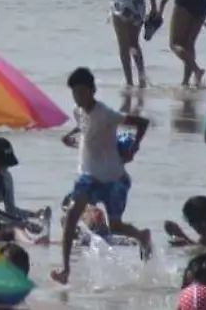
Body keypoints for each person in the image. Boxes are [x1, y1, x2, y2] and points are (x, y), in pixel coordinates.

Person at [49, 67, 151, 285]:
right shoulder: (78, 110)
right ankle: (65, 270)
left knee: (115, 226)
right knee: (71, 218)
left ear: (92, 90)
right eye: (74, 92)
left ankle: (142, 236)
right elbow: (84, 125)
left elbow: (142, 123)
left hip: (113, 178)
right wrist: (69, 135)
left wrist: (133, 148)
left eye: (82, 91)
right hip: (87, 176)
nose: (78, 96)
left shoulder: (106, 113)